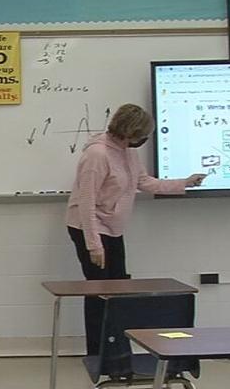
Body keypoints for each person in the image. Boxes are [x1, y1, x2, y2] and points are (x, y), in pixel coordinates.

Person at [66, 103, 206, 354]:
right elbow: (86, 201)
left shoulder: (127, 152)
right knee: (99, 290)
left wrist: (183, 183)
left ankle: (116, 349)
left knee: (118, 289)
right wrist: (94, 245)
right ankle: (97, 352)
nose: (143, 140)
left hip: (113, 229)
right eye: (142, 135)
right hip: (89, 228)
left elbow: (143, 182)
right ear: (130, 132)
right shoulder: (97, 155)